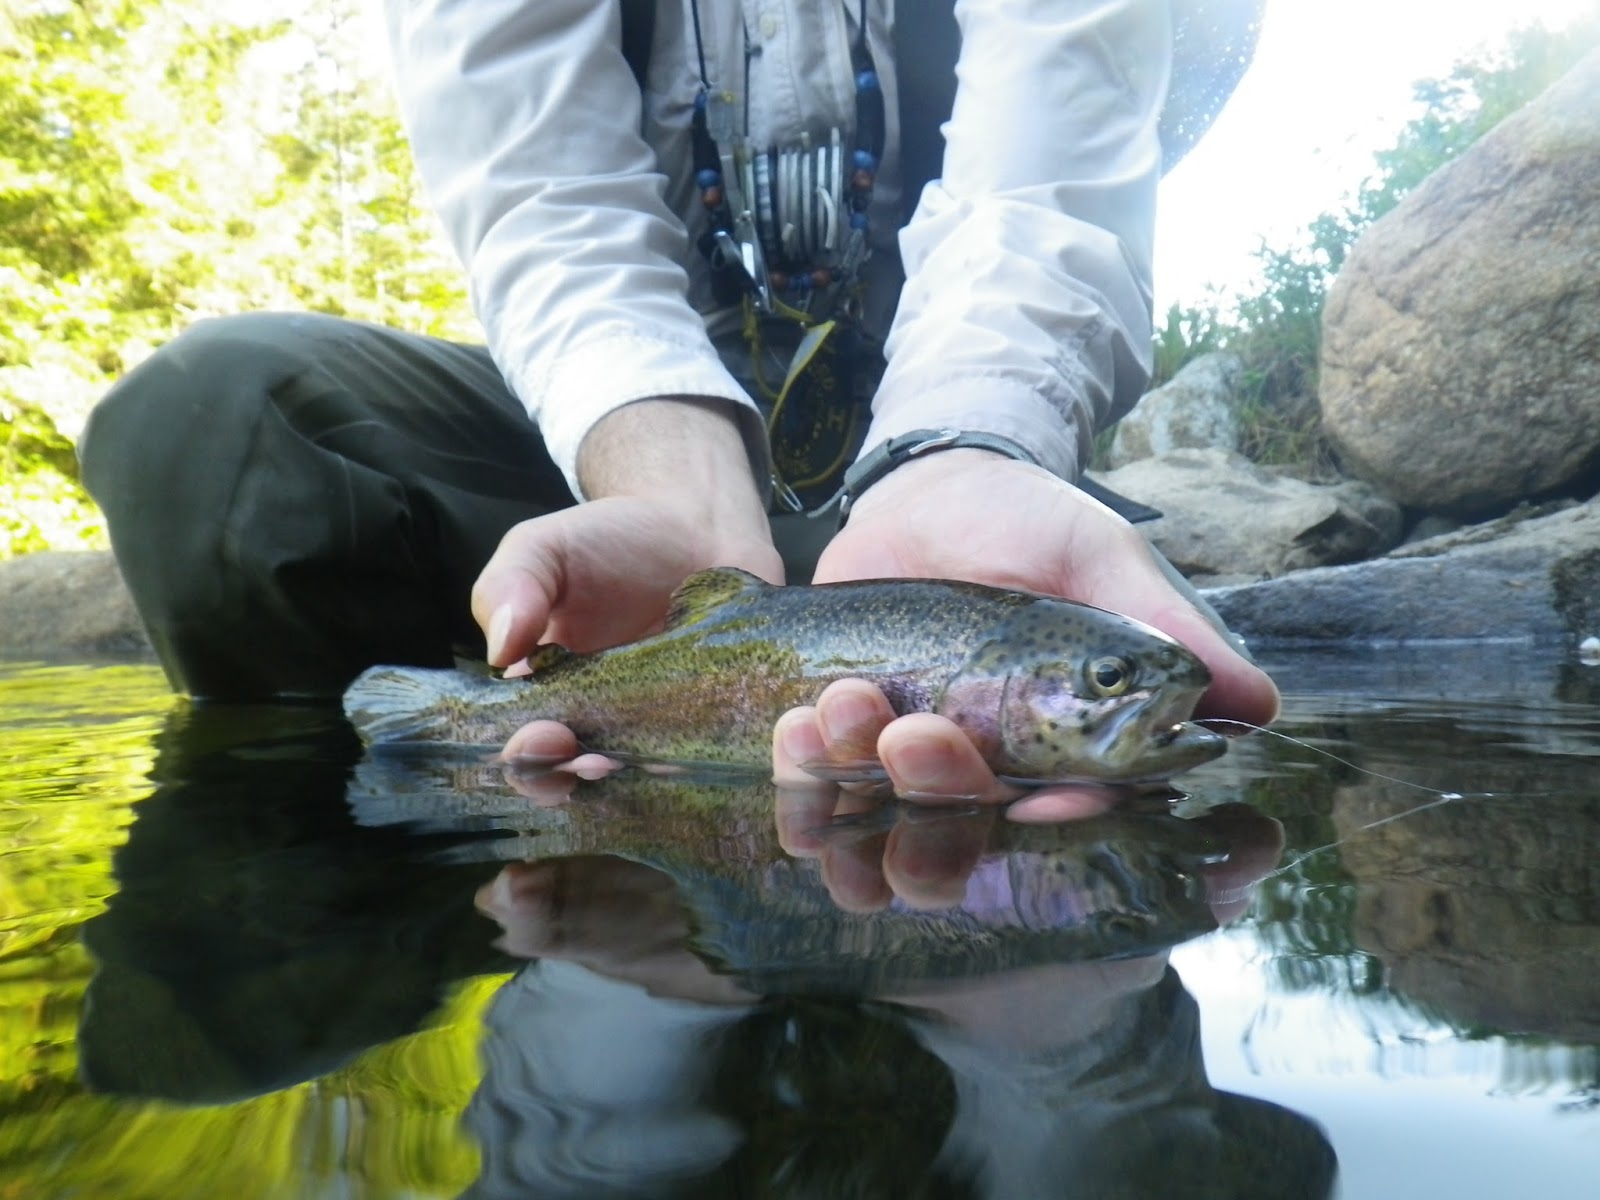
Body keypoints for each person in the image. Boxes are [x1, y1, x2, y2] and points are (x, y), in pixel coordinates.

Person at [78, 0, 1279, 803]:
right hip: (624, 451)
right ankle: (344, 878)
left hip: (930, 469)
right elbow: (545, 201)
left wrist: (965, 448)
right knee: (217, 413)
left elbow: (1048, 181)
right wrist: (667, 485)